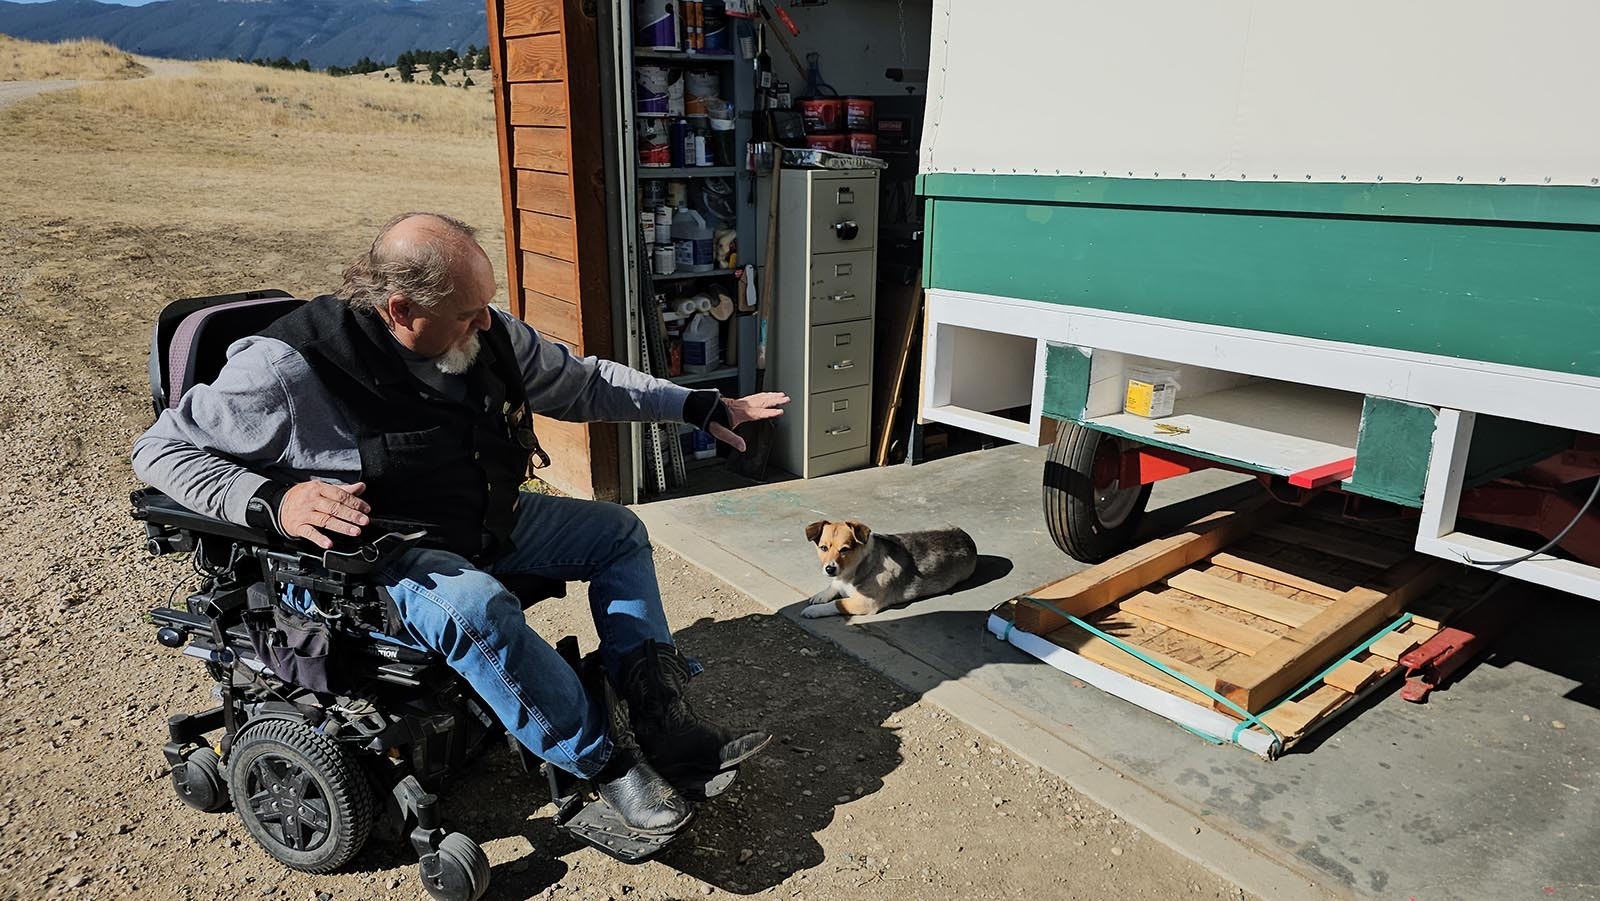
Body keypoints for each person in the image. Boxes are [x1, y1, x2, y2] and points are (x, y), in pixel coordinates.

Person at [132, 211, 788, 833]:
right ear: (400, 310)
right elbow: (159, 450)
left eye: (484, 306)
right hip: (378, 554)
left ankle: (659, 716)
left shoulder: (481, 330)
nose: (486, 323)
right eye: (467, 314)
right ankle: (603, 762)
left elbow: (582, 384)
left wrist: (697, 405)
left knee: (616, 534)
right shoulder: (288, 367)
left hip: (474, 515)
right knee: (477, 606)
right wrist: (276, 501)